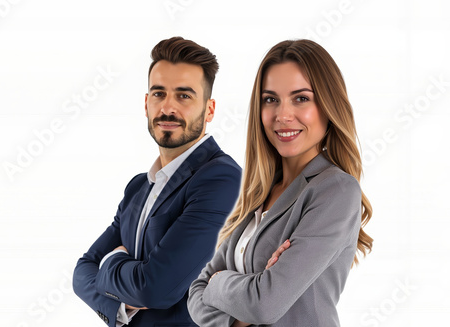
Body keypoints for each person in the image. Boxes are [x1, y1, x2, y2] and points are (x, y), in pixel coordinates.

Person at [188, 39, 373, 327]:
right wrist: (242, 308)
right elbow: (194, 296)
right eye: (271, 99)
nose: (283, 116)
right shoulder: (259, 194)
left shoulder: (335, 189)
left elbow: (264, 305)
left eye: (301, 98)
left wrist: (219, 282)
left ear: (328, 106)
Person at [73, 36, 241, 327]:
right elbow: (82, 271)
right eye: (159, 94)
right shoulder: (138, 186)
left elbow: (155, 289)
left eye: (184, 96)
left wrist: (111, 264)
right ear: (146, 103)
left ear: (210, 110)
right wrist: (122, 305)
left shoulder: (221, 178)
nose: (168, 108)